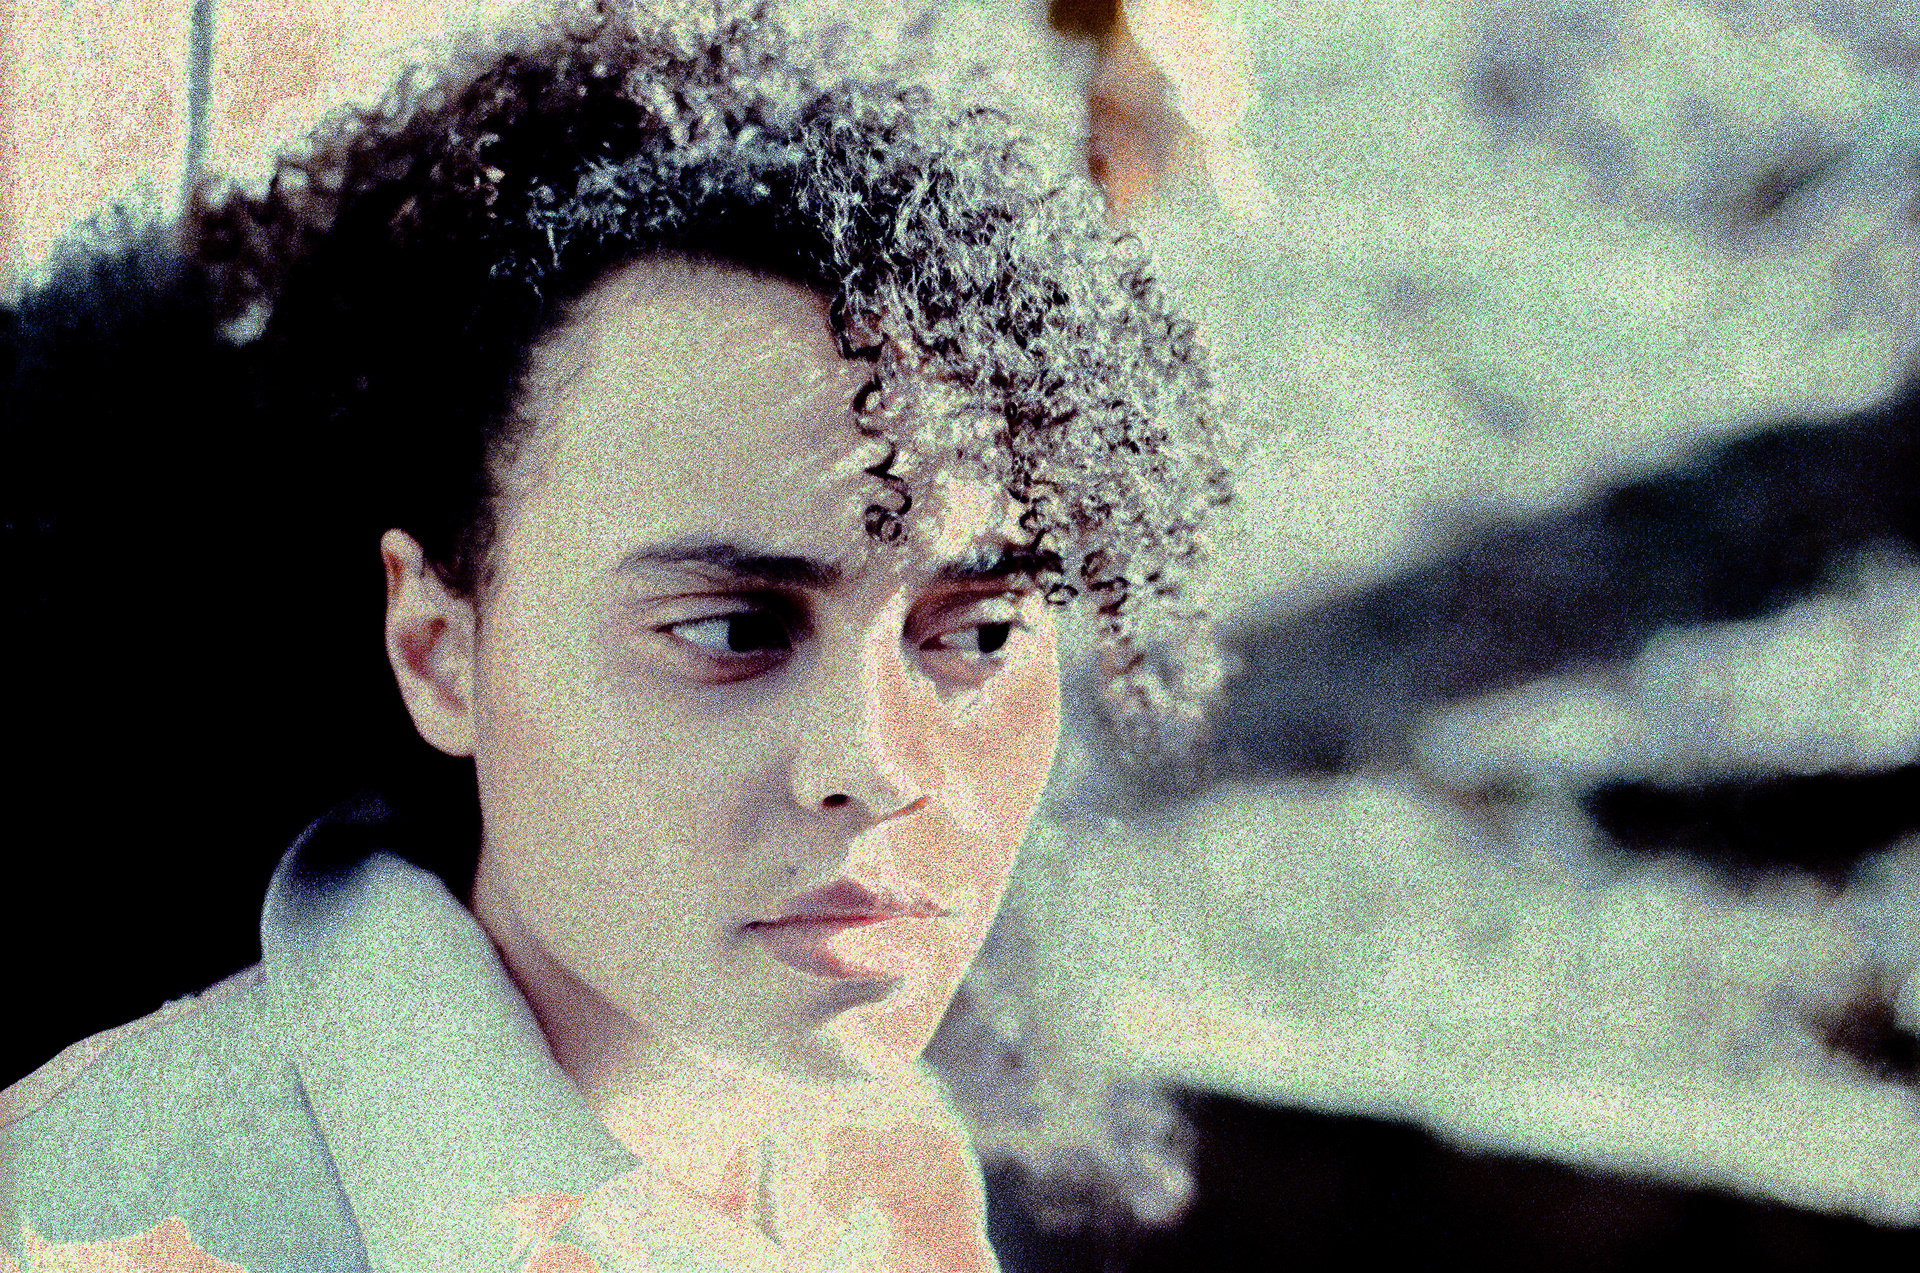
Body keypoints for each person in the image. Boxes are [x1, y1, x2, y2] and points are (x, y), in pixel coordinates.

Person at [0, 0, 1236, 1267]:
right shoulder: (73, 1231)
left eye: (977, 636)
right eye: (734, 627)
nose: (876, 763)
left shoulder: (889, 1164)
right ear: (438, 651)